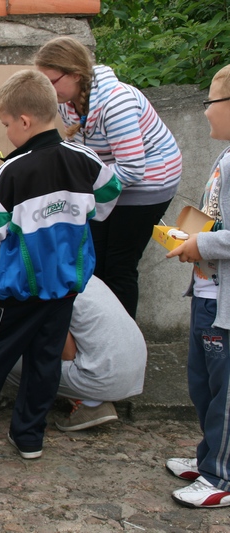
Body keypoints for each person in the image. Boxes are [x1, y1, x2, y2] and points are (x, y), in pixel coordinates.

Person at [0, 69, 121, 460]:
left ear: (24, 121)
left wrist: (7, 236)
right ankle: (30, 436)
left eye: (6, 125)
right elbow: (108, 195)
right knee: (45, 360)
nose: (6, 133)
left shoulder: (12, 170)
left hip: (17, 288)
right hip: (65, 283)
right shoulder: (85, 159)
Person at [35, 36, 182, 319]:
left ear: (75, 74)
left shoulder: (116, 103)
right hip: (107, 181)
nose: (48, 91)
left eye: (51, 82)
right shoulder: (65, 101)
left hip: (149, 182)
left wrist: (78, 183)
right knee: (94, 261)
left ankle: (124, 340)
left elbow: (132, 169)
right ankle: (102, 334)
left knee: (119, 265)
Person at [164, 64, 230, 509]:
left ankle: (220, 475)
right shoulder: (225, 155)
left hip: (223, 302)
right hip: (207, 292)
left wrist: (200, 242)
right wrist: (190, 236)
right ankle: (210, 456)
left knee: (225, 394)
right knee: (202, 384)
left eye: (212, 101)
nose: (205, 111)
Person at [6, 276, 147, 431]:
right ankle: (92, 398)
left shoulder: (46, 284)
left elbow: (66, 353)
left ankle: (90, 403)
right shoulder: (82, 271)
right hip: (133, 371)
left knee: (7, 361)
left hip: (105, 378)